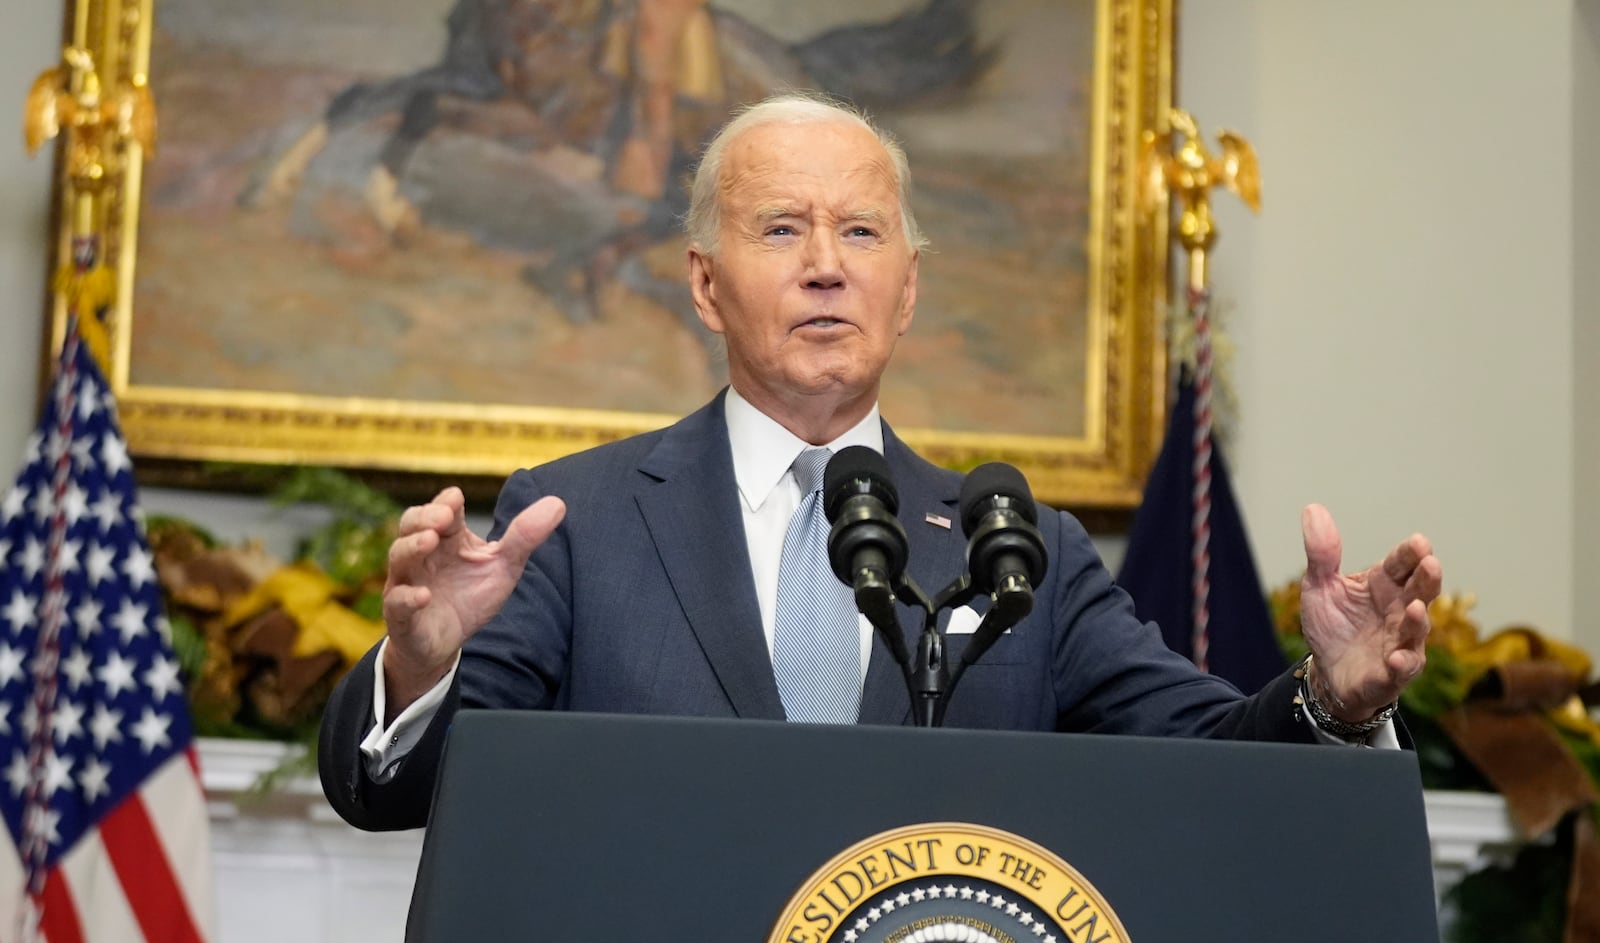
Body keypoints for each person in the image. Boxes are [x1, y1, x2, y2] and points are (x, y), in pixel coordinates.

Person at [318, 93, 1442, 832]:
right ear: (705, 284)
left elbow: (1212, 765)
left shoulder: (1020, 549)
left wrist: (1331, 703)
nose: (824, 268)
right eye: (780, 230)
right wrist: (420, 670)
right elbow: (398, 792)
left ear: (907, 289)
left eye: (860, 233)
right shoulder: (581, 521)